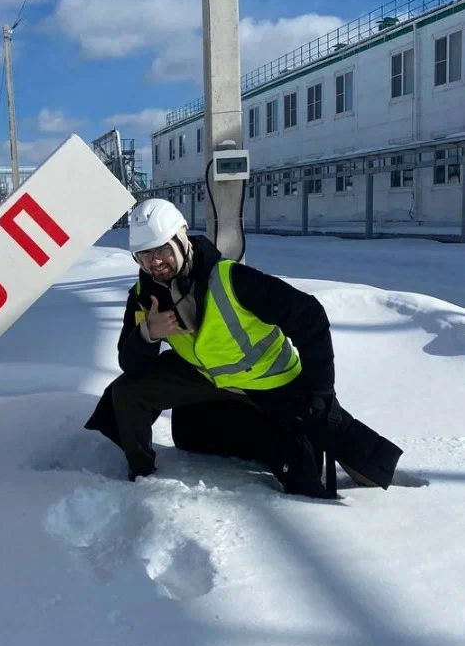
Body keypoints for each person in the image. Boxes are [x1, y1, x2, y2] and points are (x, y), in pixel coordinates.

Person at [86, 198, 402, 497]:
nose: (154, 262)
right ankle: (142, 477)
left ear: (182, 239)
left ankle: (285, 437)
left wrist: (320, 391)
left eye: (162, 249)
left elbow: (310, 317)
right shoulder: (144, 294)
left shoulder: (231, 279)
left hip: (271, 381)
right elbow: (131, 364)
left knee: (328, 475)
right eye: (144, 254)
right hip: (206, 376)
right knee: (128, 393)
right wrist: (148, 334)